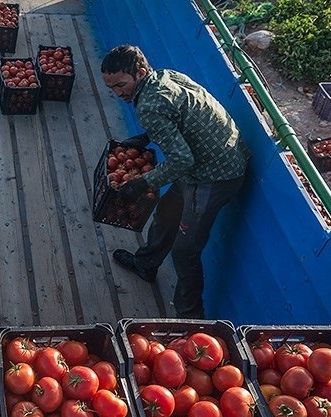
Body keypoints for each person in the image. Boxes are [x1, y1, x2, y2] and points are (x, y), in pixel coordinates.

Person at [100, 44, 249, 319]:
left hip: (214, 177)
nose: (118, 93)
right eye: (112, 88)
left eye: (121, 85)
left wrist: (143, 183)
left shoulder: (148, 107)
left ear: (140, 72)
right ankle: (146, 264)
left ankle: (190, 318)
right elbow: (180, 118)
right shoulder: (167, 76)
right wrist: (147, 137)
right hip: (219, 156)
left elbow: (182, 161)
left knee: (185, 251)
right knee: (166, 213)